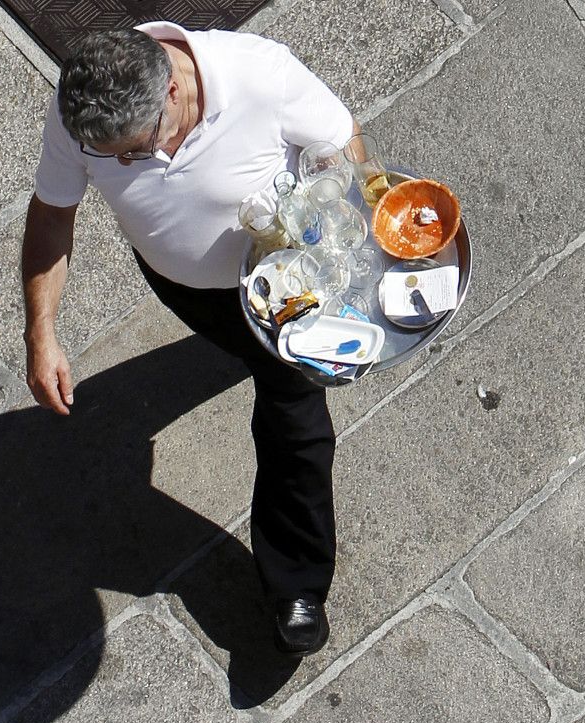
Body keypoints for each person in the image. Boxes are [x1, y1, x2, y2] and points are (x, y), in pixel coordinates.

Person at [20, 23, 360, 657]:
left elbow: (341, 144)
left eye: (132, 149)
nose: (121, 164)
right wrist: (42, 330)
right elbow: (53, 211)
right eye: (112, 156)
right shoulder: (84, 109)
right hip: (188, 291)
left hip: (281, 278)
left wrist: (342, 237)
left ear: (172, 91)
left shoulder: (261, 76)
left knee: (294, 418)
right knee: (245, 355)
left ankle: (297, 582)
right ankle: (248, 356)